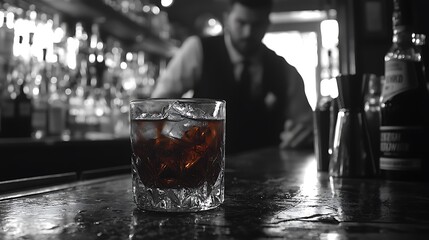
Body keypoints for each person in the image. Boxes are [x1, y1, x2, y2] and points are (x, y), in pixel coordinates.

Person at [151, 0, 313, 154]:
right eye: (241, 22)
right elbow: (158, 105)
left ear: (267, 24)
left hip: (269, 174)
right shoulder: (198, 49)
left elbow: (306, 125)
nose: (248, 32)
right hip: (205, 170)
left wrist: (302, 135)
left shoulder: (284, 69)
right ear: (227, 18)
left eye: (257, 25)